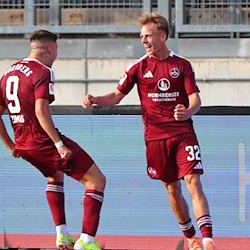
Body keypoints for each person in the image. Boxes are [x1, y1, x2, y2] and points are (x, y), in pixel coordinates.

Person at [82, 13, 215, 250]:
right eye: (141, 36)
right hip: (155, 138)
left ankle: (208, 239)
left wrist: (187, 111)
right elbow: (116, 96)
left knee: (193, 181)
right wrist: (95, 99)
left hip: (183, 133)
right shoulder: (137, 67)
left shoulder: (181, 65)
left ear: (162, 36)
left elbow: (195, 99)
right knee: (172, 189)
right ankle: (191, 237)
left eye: (148, 36)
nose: (143, 40)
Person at [0, 29, 106, 250]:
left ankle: (62, 235)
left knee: (55, 176)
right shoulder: (43, 71)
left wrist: (12, 147)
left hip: (24, 145)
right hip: (42, 141)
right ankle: (87, 241)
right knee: (96, 181)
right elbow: (41, 110)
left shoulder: (9, 72)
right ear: (51, 49)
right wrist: (59, 145)